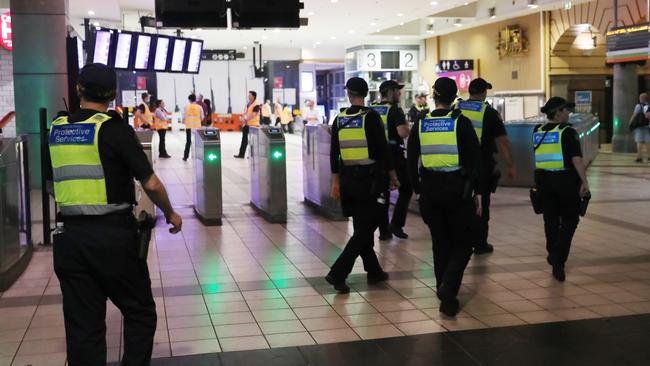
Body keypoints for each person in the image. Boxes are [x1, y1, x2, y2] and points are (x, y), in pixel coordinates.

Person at [49, 63, 182, 366]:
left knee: (84, 327)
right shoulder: (113, 128)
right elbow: (150, 182)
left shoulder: (56, 129)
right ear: (112, 94)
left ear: (78, 89)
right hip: (113, 237)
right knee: (139, 312)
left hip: (70, 239)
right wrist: (171, 213)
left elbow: (51, 182)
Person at [407, 77, 482, 317]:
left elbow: (410, 160)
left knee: (440, 242)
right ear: (454, 97)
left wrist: (418, 189)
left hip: (429, 189)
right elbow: (474, 160)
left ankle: (445, 292)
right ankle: (448, 289)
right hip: (456, 190)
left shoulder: (421, 123)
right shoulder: (461, 122)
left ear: (433, 95)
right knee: (464, 242)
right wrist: (477, 191)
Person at [326, 77, 399, 293]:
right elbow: (383, 151)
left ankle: (374, 271)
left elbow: (334, 154)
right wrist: (393, 175)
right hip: (370, 180)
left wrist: (336, 181)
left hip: (348, 180)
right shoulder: (371, 117)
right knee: (368, 226)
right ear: (366, 94)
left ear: (349, 93)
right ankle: (338, 272)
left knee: (361, 225)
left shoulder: (339, 119)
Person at [455, 78, 516, 255]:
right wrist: (511, 165)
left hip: (458, 164)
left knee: (462, 201)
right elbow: (503, 142)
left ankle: (462, 238)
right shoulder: (488, 113)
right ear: (483, 93)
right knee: (482, 203)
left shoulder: (456, 109)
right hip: (481, 165)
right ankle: (480, 243)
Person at [534, 97, 590, 282]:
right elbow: (577, 160)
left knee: (550, 220)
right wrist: (585, 183)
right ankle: (558, 260)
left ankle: (553, 252)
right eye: (566, 110)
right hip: (565, 182)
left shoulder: (537, 130)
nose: (568, 113)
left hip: (543, 182)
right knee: (569, 220)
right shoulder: (568, 132)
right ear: (557, 112)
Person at [369, 80, 412, 240]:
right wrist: (407, 126)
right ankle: (396, 224)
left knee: (383, 192)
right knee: (406, 188)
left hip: (376, 156)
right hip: (393, 155)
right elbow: (403, 132)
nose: (399, 94)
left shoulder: (372, 109)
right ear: (390, 92)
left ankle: (383, 231)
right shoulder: (395, 110)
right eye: (397, 91)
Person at [234, 91, 260, 158]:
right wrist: (243, 118)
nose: (248, 96)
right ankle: (241, 154)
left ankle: (252, 155)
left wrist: (245, 118)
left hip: (254, 125)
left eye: (250, 95)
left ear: (253, 96)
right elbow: (245, 113)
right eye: (248, 95)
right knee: (244, 140)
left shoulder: (256, 104)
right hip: (247, 124)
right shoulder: (248, 104)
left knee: (253, 141)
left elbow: (254, 114)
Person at [182, 94, 204, 161]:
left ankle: (185, 157)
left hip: (188, 127)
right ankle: (199, 156)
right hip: (197, 127)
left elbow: (183, 117)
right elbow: (202, 117)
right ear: (195, 99)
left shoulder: (186, 107)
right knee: (198, 142)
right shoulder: (199, 107)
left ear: (189, 100)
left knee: (188, 141)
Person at [630, 92, 650, 162]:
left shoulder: (638, 106)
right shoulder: (649, 106)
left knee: (639, 141)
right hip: (647, 126)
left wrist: (630, 122)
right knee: (648, 141)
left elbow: (634, 115)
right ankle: (649, 156)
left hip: (639, 126)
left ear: (640, 98)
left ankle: (639, 157)